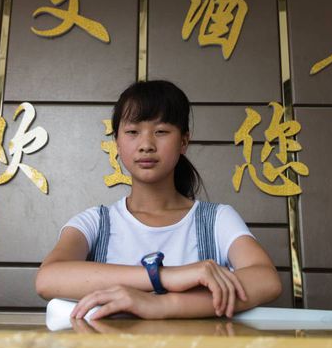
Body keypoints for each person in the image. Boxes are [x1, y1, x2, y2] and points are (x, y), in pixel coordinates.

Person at [35, 80, 282, 320]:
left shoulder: (217, 219)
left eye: (161, 131)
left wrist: (162, 304)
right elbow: (48, 278)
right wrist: (164, 277)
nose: (146, 145)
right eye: (132, 132)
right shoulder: (95, 222)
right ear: (117, 143)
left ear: (184, 141)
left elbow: (266, 280)